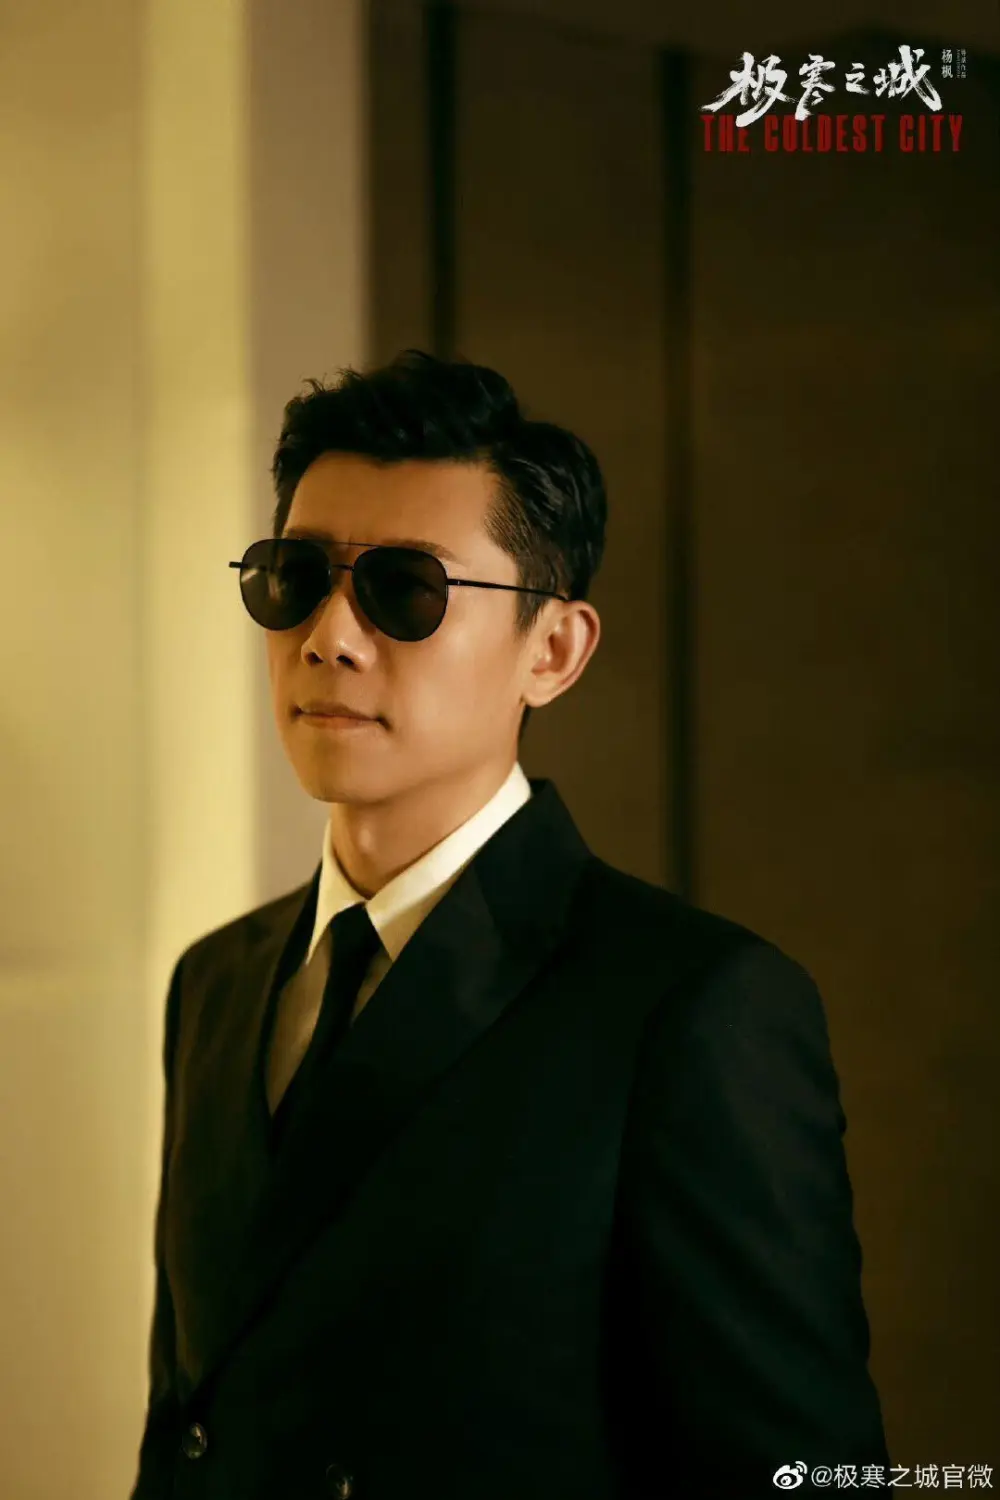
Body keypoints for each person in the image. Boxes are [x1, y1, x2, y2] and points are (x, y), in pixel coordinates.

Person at [130, 350, 889, 1500]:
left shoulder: (688, 1010)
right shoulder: (217, 982)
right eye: (295, 577)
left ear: (553, 651)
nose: (329, 636)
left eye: (404, 589)